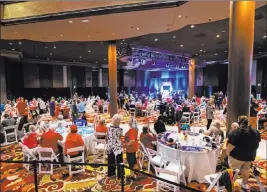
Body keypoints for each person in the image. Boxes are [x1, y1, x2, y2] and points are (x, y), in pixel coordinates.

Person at [227, 116, 261, 190]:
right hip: (250, 156)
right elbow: (257, 143)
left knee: (234, 171)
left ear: (239, 122)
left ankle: (230, 186)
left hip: (237, 156)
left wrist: (228, 153)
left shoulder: (236, 132)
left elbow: (231, 145)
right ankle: (244, 184)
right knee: (246, 169)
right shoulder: (255, 131)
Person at [107, 114, 123, 179]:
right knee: (119, 161)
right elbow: (120, 136)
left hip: (110, 146)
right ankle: (120, 174)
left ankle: (111, 174)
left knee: (111, 161)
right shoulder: (120, 129)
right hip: (118, 147)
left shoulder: (109, 128)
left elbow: (108, 136)